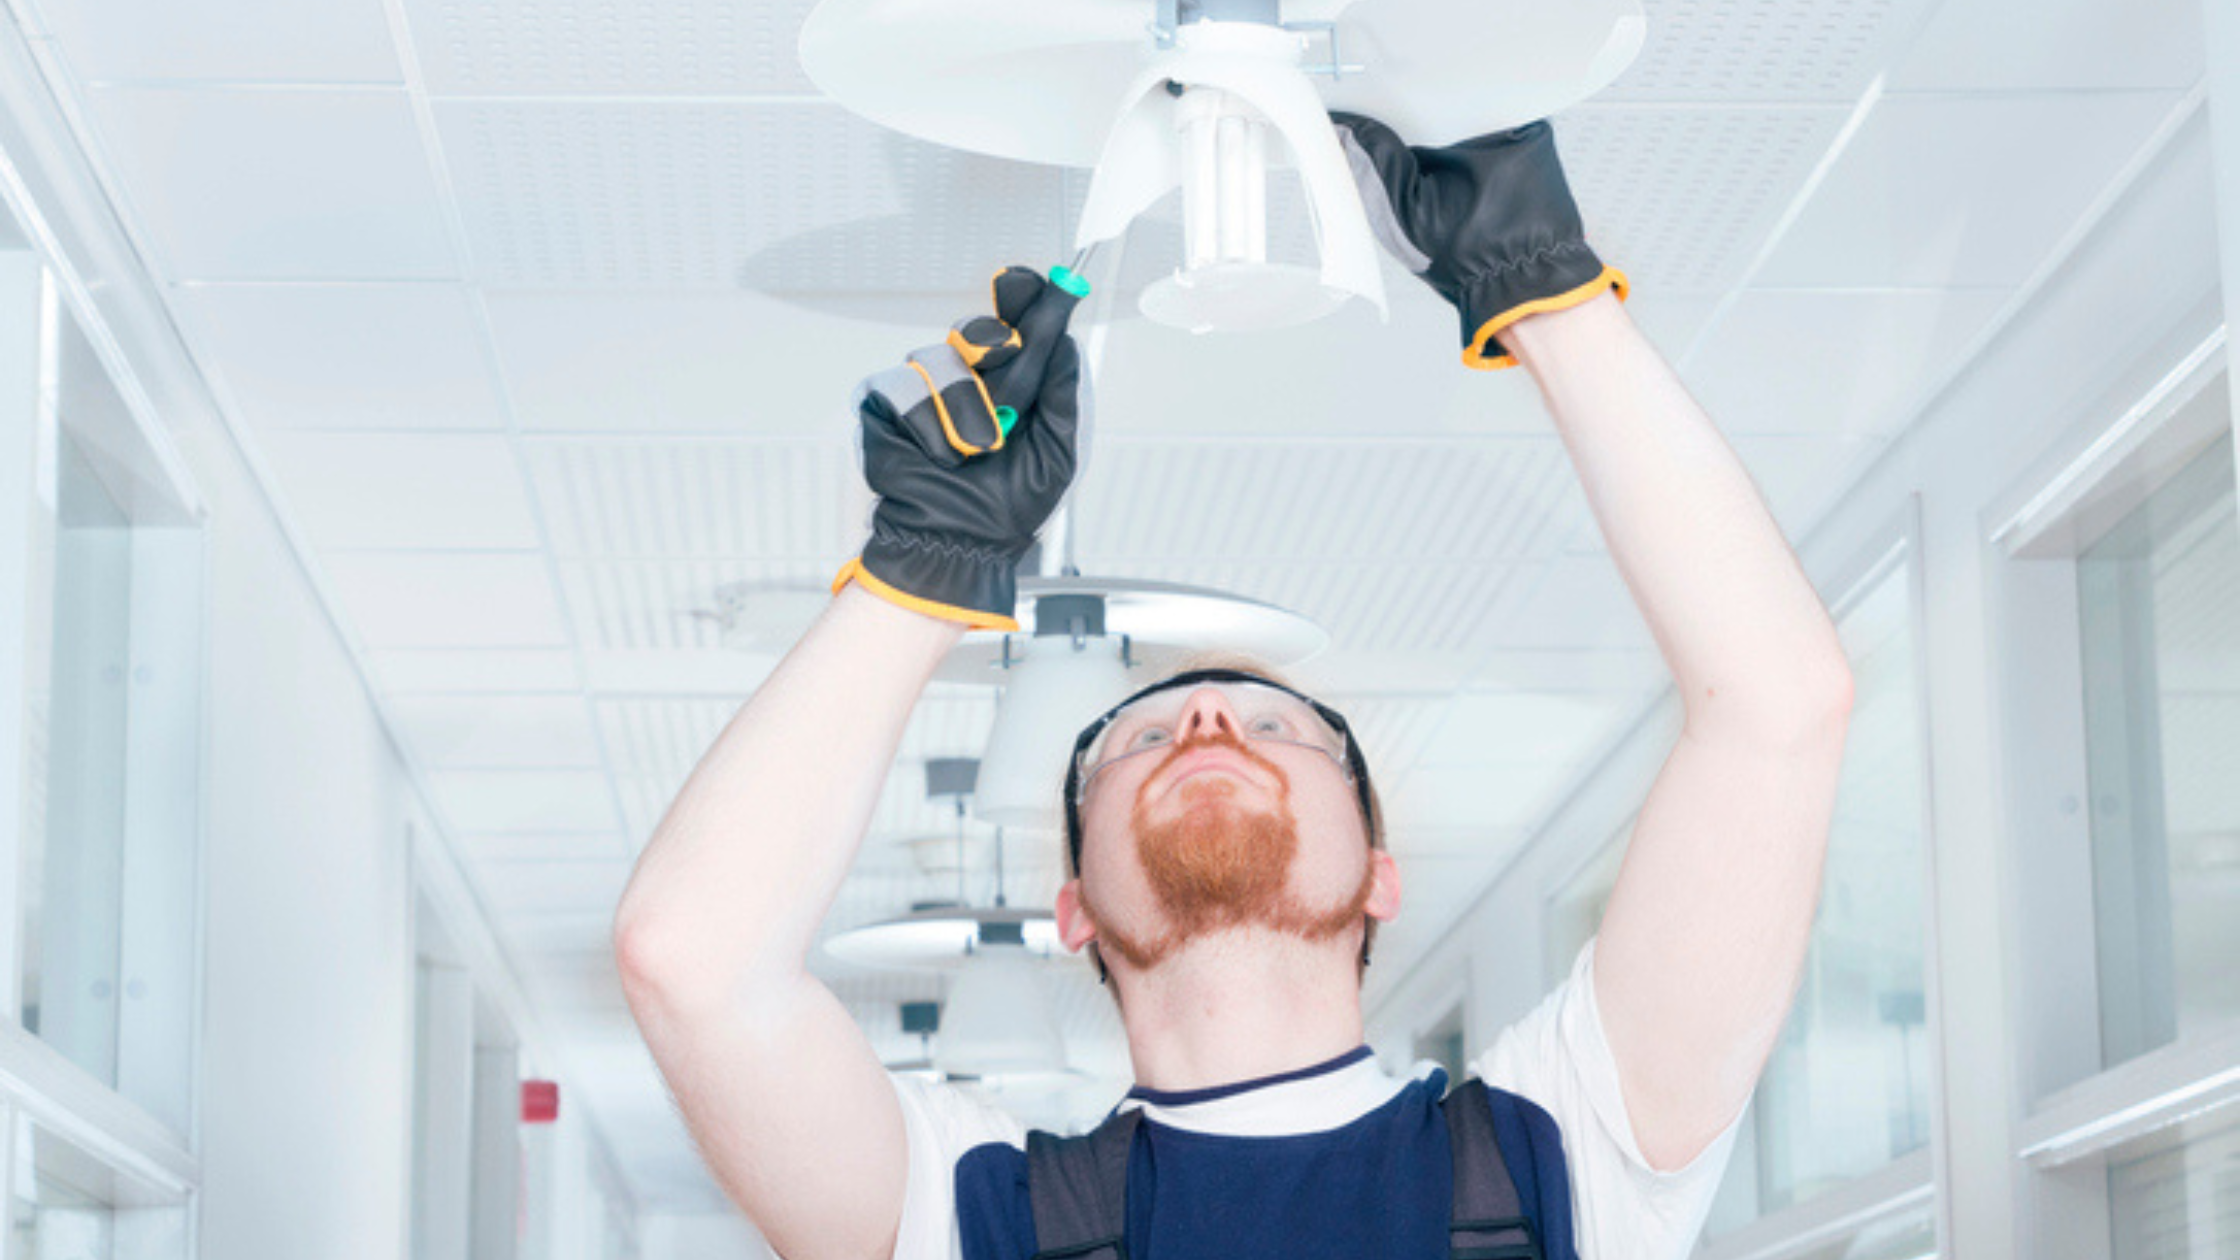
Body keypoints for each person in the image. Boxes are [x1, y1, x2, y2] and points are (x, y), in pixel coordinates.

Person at [612, 113, 1855, 1260]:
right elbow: (691, 962)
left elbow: (1778, 708)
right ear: (1073, 909)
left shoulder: (1569, 1147)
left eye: (1277, 726)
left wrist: (1544, 295)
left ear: (1380, 872)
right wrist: (918, 574)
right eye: (1137, 740)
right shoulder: (972, 1209)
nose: (1205, 717)